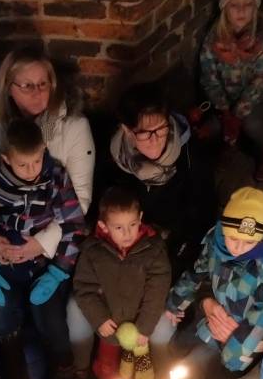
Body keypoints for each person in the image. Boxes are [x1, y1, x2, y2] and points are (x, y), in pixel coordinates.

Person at [0, 118, 85, 379]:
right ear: (6, 159)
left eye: (36, 161)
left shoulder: (56, 177)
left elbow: (74, 226)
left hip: (44, 263)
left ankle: (63, 373)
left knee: (53, 319)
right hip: (4, 262)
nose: (32, 170)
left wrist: (59, 270)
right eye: (22, 164)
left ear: (43, 150)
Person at [154, 187, 263, 379]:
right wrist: (175, 302)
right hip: (206, 321)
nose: (238, 248)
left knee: (193, 376)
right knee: (176, 353)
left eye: (249, 242)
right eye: (233, 238)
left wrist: (233, 354)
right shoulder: (214, 242)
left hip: (234, 339)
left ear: (262, 238)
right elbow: (198, 272)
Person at [65, 186, 171, 379]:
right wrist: (99, 318)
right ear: (103, 226)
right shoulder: (93, 251)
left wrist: (145, 326)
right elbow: (84, 288)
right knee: (108, 365)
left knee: (137, 365)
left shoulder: (153, 248)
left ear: (140, 218)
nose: (128, 233)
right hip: (110, 324)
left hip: (139, 325)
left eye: (132, 224)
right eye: (119, 228)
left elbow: (157, 289)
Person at [92, 81, 216, 277]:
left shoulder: (189, 156)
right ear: (127, 130)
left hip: (172, 244)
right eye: (145, 132)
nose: (155, 139)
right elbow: (102, 207)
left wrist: (175, 256)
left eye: (161, 129)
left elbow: (202, 213)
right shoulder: (113, 158)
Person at [0, 43, 95, 231]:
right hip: (3, 230)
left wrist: (42, 242)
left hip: (52, 232)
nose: (37, 93)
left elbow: (80, 200)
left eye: (43, 84)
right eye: (27, 86)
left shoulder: (75, 128)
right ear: (8, 87)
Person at [198, 0, 263, 182]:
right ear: (224, 8)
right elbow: (209, 76)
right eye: (234, 5)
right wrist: (225, 111)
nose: (241, 11)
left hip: (256, 98)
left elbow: (261, 81)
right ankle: (230, 144)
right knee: (214, 126)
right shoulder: (213, 39)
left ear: (256, 7)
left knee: (251, 124)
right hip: (226, 98)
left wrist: (237, 114)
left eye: (248, 4)